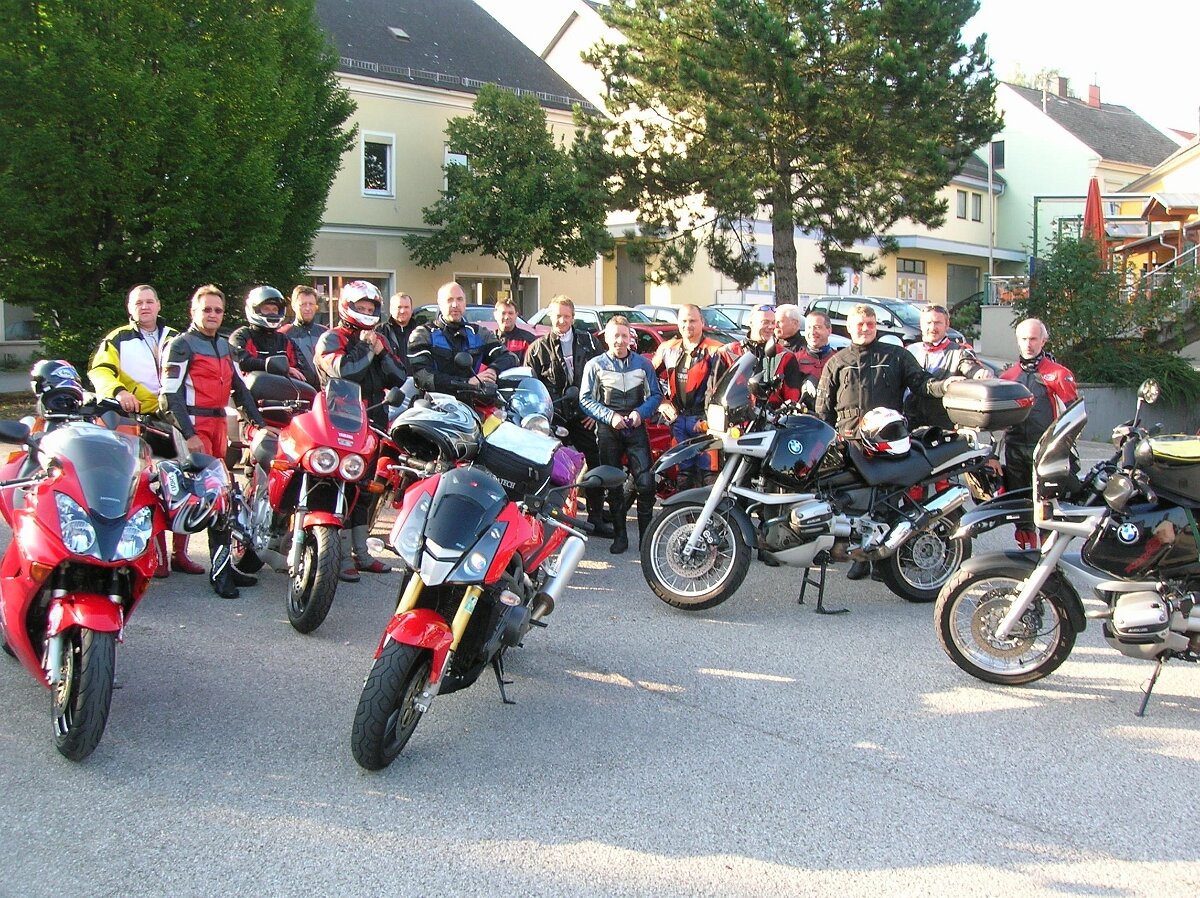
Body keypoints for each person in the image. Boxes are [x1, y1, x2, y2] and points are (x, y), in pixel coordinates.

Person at [815, 303, 959, 580]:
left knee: (888, 502)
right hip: (850, 443)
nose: (865, 329)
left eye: (870, 324)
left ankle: (886, 561)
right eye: (860, 324)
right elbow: (823, 409)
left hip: (887, 442)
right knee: (851, 503)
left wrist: (947, 386)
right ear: (849, 327)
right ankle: (858, 558)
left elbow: (922, 383)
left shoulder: (896, 356)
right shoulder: (837, 362)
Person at [160, 285, 265, 599]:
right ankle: (217, 573)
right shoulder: (181, 345)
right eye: (206, 309)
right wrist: (189, 434)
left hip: (219, 424)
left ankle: (224, 567)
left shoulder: (224, 345)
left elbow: (239, 390)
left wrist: (260, 424)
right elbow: (169, 397)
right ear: (193, 311)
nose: (213, 315)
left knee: (225, 499)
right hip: (194, 426)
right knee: (211, 498)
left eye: (218, 310)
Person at [88, 284, 186, 577]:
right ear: (130, 309)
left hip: (172, 419)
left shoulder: (176, 338)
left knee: (178, 484)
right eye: (138, 303)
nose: (144, 307)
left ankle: (180, 554)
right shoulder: (117, 338)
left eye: (149, 301)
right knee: (145, 485)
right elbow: (100, 370)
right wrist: (118, 392)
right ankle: (157, 555)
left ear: (159, 305)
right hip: (134, 420)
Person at [314, 280, 408, 581]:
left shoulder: (378, 339)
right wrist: (367, 348)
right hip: (340, 421)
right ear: (348, 306)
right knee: (341, 486)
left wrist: (381, 353)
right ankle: (339, 556)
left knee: (365, 489)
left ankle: (362, 553)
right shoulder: (332, 338)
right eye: (362, 307)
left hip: (374, 420)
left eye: (371, 308)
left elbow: (399, 377)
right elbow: (345, 372)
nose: (367, 312)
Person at [525, 295, 611, 535]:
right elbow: (530, 387)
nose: (561, 321)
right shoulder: (537, 348)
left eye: (566, 316)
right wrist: (543, 419)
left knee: (595, 462)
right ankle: (549, 519)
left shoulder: (589, 343)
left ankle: (595, 517)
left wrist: (597, 410)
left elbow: (605, 376)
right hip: (554, 416)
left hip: (585, 414)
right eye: (557, 316)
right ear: (549, 317)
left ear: (573, 317)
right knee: (548, 467)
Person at [579, 316, 662, 554]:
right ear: (606, 337)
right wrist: (610, 417)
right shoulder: (595, 365)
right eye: (615, 335)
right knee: (613, 484)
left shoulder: (644, 364)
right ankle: (620, 536)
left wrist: (640, 413)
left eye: (624, 335)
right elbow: (585, 399)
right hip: (608, 430)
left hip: (636, 428)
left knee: (646, 483)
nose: (619, 340)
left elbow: (656, 395)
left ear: (630, 338)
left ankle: (646, 540)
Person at [996, 318, 1078, 548]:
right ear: (1017, 341)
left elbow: (1075, 416)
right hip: (1014, 449)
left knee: (1046, 507)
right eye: (1024, 339)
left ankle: (1049, 557)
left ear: (1043, 340)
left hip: (1045, 449)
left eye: (1033, 339)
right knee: (1020, 507)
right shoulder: (1007, 377)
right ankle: (1026, 555)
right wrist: (992, 455)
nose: (1028, 344)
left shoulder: (1058, 374)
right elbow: (995, 421)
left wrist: (1064, 449)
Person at [651, 304, 725, 488]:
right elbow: (647, 377)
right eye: (684, 321)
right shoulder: (667, 349)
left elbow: (727, 387)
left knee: (710, 475)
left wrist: (714, 419)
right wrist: (661, 401)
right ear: (678, 323)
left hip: (706, 422)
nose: (687, 325)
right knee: (682, 474)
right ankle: (684, 507)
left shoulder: (716, 350)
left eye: (692, 320)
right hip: (678, 420)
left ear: (702, 322)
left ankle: (709, 509)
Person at [407, 282, 517, 399]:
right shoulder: (423, 334)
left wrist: (493, 370)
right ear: (440, 303)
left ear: (465, 302)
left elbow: (510, 357)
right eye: (449, 300)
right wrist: (467, 383)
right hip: (433, 403)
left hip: (470, 403)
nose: (455, 304)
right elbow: (423, 377)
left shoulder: (478, 333)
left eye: (459, 299)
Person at [904, 304, 989, 429]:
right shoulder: (909, 350)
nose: (933, 328)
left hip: (943, 423)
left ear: (947, 324)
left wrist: (979, 373)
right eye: (928, 323)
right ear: (921, 325)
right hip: (910, 421)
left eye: (938, 323)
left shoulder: (960, 352)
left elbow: (969, 366)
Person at [229, 286, 318, 388]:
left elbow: (305, 372)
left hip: (284, 394)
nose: (271, 313)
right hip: (250, 394)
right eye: (266, 309)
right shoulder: (242, 336)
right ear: (255, 310)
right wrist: (279, 367)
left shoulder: (285, 340)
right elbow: (241, 361)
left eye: (275, 309)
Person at [771, 309, 836, 412]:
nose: (812, 332)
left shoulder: (838, 360)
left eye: (817, 327)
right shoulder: (794, 359)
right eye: (809, 328)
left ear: (829, 330)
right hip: (803, 416)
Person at [279, 285, 327, 374]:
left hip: (325, 382)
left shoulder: (325, 333)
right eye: (303, 304)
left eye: (311, 304)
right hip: (296, 382)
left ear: (316, 306)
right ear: (293, 306)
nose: (308, 308)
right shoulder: (283, 334)